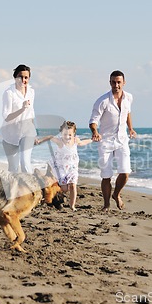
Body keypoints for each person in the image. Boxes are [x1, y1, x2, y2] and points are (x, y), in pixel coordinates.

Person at [89, 70, 137, 211]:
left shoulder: (129, 97)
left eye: (119, 82)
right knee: (106, 175)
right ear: (110, 83)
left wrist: (131, 128)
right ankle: (106, 204)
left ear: (124, 83)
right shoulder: (102, 101)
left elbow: (127, 113)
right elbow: (93, 121)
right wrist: (95, 132)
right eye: (113, 82)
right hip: (106, 141)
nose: (116, 85)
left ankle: (116, 194)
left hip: (122, 140)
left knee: (125, 172)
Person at [38, 121, 93, 211]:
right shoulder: (60, 142)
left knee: (73, 185)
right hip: (61, 168)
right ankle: (51, 196)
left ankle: (72, 205)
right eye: (65, 134)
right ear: (61, 133)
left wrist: (92, 140)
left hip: (72, 167)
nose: (67, 137)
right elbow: (50, 137)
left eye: (70, 135)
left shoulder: (75, 140)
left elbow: (83, 143)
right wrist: (40, 140)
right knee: (64, 189)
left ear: (74, 133)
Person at [1, 64, 37, 173]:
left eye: (26, 77)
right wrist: (21, 109)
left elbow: (31, 113)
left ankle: (31, 189)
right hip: (10, 134)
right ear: (15, 77)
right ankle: (14, 189)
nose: (23, 80)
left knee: (25, 163)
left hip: (27, 131)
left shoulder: (31, 92)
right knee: (13, 169)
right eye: (20, 77)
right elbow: (6, 117)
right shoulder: (9, 93)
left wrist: (34, 132)